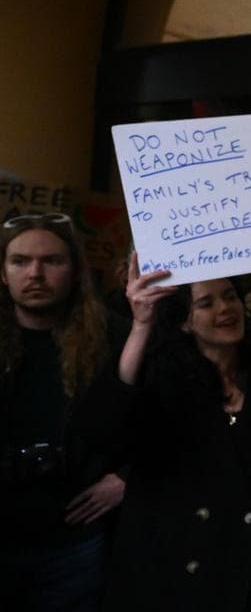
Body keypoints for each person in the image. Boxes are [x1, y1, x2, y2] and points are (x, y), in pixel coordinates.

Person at [79, 262, 251, 611]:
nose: (225, 309)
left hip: (249, 576)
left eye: (230, 296)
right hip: (167, 580)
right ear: (185, 322)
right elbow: (104, 432)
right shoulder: (160, 381)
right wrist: (142, 324)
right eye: (206, 303)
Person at [0, 213, 128, 611]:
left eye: (51, 261)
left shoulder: (115, 336)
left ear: (75, 270)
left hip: (77, 542)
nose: (35, 273)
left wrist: (127, 477)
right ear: (3, 273)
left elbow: (167, 417)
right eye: (20, 261)